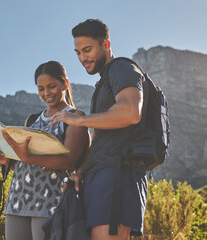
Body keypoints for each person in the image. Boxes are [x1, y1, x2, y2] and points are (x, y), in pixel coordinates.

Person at [51, 19, 148, 240]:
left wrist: (80, 121)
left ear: (106, 45)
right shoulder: (104, 82)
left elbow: (132, 111)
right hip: (101, 176)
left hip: (118, 176)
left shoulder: (122, 68)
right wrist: (81, 173)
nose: (82, 58)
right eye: (77, 52)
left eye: (87, 50)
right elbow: (102, 140)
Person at [0, 60, 90, 240]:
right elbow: (26, 166)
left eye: (51, 86)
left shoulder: (76, 117)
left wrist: (27, 157)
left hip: (51, 200)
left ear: (65, 84)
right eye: (41, 89)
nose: (46, 93)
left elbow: (68, 161)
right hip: (17, 200)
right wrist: (8, 161)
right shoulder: (31, 120)